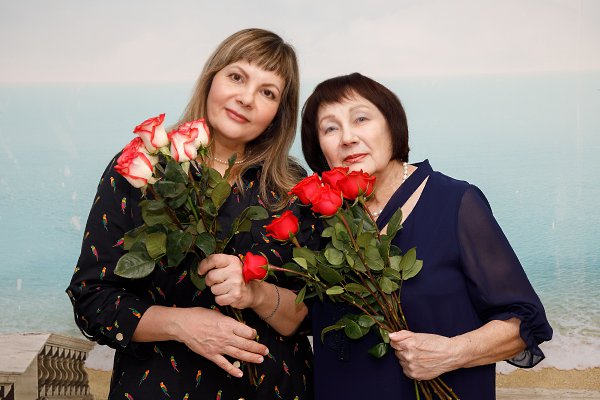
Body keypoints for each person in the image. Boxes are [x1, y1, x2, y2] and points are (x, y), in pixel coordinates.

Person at [67, 28, 316, 399]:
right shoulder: (144, 169)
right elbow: (92, 299)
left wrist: (256, 293)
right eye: (237, 77)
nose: (247, 98)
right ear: (211, 78)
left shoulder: (293, 186)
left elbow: (309, 313)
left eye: (268, 92)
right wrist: (181, 324)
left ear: (280, 112)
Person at [300, 72, 553, 400]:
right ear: (319, 147)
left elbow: (525, 321)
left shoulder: (455, 202)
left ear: (392, 125)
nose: (347, 137)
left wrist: (453, 352)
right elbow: (299, 317)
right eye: (330, 128)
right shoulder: (322, 219)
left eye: (361, 118)